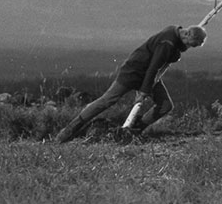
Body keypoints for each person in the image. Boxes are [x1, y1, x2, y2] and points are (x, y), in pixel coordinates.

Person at [54, 24, 207, 143]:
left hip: (148, 75)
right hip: (134, 72)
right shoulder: (167, 42)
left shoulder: (174, 32)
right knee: (107, 100)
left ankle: (133, 131)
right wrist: (143, 92)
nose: (189, 47)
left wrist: (178, 51)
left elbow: (172, 53)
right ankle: (69, 131)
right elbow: (153, 67)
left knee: (165, 106)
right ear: (186, 34)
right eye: (191, 44)